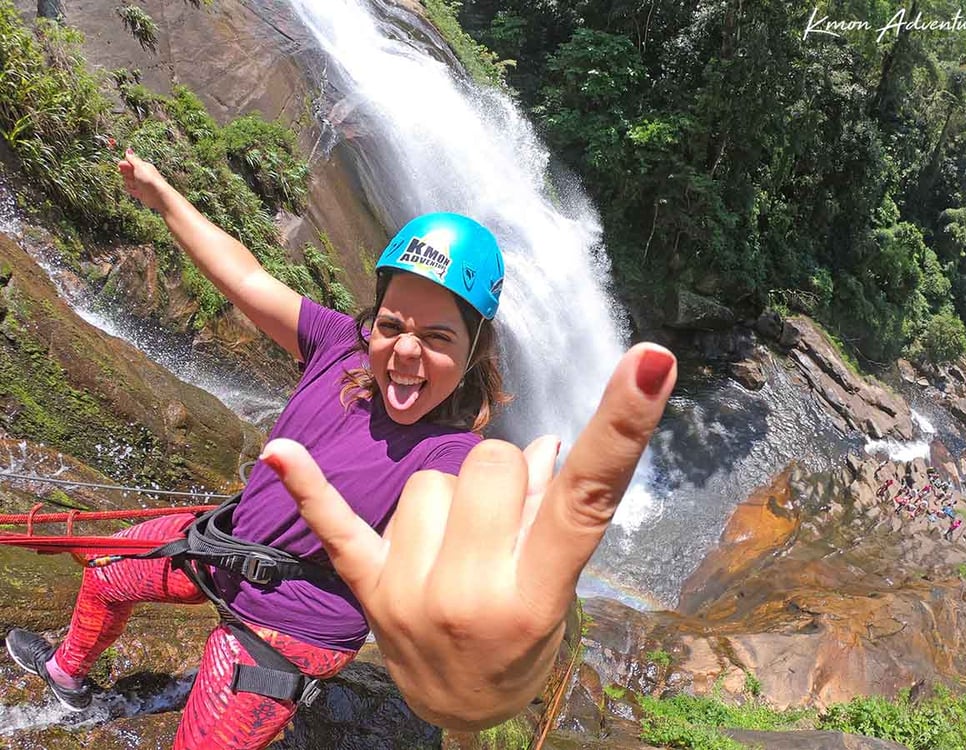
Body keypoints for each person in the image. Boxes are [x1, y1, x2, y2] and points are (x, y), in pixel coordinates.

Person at [5, 150, 678, 741]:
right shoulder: (336, 347)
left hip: (292, 629)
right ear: (373, 321)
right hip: (223, 546)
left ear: (476, 352)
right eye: (393, 324)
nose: (406, 351)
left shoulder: (453, 459)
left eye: (438, 337)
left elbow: (464, 553)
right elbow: (242, 275)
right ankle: (69, 675)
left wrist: (495, 666)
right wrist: (163, 195)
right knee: (104, 570)